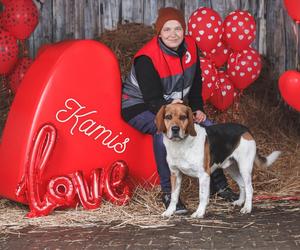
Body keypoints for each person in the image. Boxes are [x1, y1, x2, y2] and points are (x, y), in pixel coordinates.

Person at [121, 7, 238, 214]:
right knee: (162, 133)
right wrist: (176, 108)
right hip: (140, 106)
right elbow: (153, 100)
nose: (173, 34)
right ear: (159, 32)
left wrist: (198, 109)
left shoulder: (191, 46)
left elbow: (195, 83)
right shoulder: (146, 58)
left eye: (177, 29)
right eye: (167, 30)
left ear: (184, 31)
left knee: (209, 127)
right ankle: (168, 193)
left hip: (173, 104)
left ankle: (218, 185)